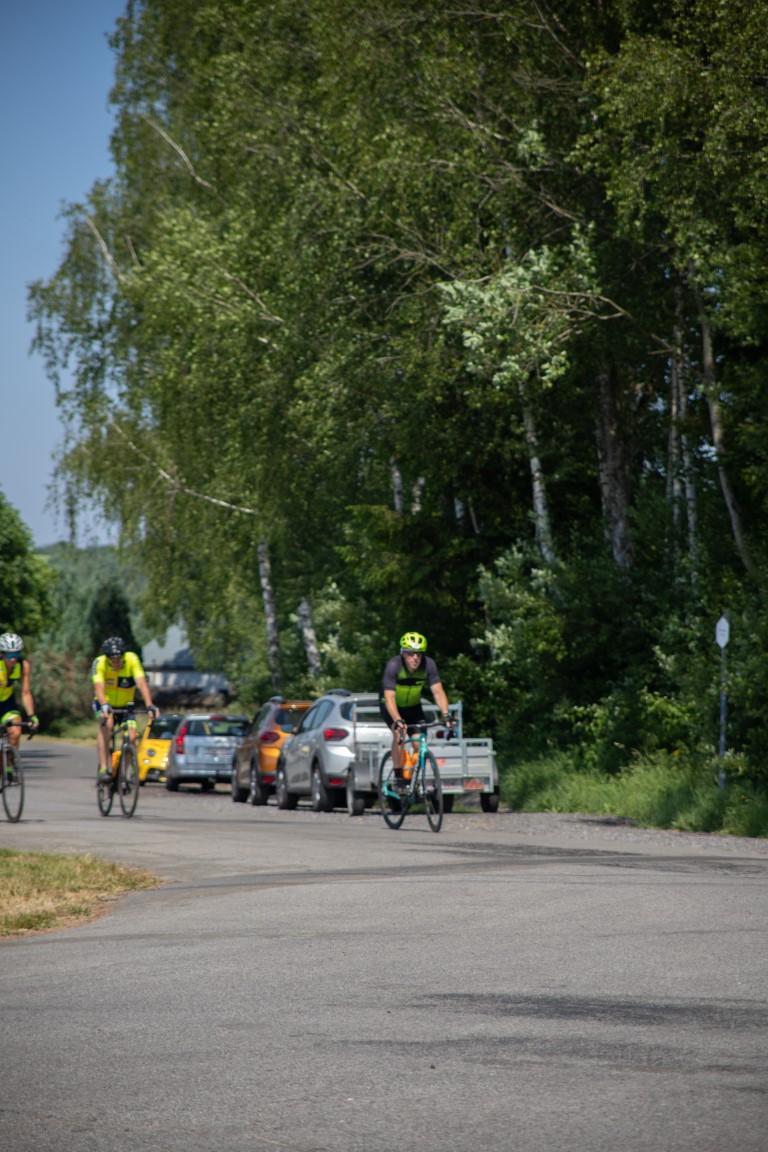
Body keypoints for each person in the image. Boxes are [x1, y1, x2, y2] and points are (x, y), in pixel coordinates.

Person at [379, 630, 454, 772]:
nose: (415, 658)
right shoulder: (394, 665)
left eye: (419, 654)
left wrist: (446, 715)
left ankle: (412, 777)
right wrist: (397, 720)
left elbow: (438, 692)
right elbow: (389, 697)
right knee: (399, 732)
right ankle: (398, 774)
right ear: (403, 653)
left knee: (419, 743)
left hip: (413, 707)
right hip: (391, 705)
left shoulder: (428, 665)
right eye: (410, 653)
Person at [92, 636, 159, 781]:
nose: (116, 663)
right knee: (107, 724)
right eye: (112, 660)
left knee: (132, 737)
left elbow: (142, 684)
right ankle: (103, 768)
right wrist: (104, 705)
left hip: (126, 706)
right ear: (107, 658)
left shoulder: (132, 659)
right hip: (105, 703)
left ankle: (123, 772)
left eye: (119, 659)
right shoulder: (99, 662)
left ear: (123, 655)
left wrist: (149, 705)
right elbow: (99, 687)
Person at [0, 632, 39, 753]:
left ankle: (10, 763)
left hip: (7, 703)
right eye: (9, 654)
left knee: (15, 733)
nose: (13, 658)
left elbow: (26, 692)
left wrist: (32, 716)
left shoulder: (22, 665)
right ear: (1, 653)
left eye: (16, 653)